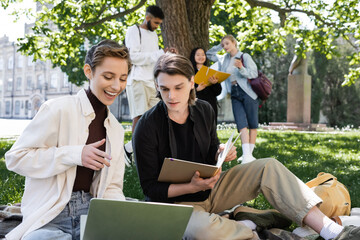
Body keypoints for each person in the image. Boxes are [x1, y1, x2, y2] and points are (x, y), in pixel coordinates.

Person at [133, 53, 360, 240]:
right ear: (157, 86)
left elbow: (210, 148)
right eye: (164, 89)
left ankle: (332, 231)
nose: (171, 96)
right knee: (199, 231)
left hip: (212, 189)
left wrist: (221, 152)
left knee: (268, 166)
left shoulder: (204, 110)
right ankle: (251, 228)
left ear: (192, 82)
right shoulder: (147, 126)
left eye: (178, 87)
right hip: (177, 204)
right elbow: (150, 189)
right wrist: (191, 187)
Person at [5, 39, 131, 240]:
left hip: (91, 215)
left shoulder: (115, 129)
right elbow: (16, 158)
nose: (116, 86)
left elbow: (112, 187)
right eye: (108, 76)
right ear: (88, 72)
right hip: (49, 216)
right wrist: (75, 155)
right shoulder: (57, 109)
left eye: (123, 78)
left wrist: (118, 218)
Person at [124, 5, 177, 164]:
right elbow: (132, 57)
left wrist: (166, 55)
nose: (157, 26)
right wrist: (159, 53)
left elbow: (154, 59)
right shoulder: (133, 31)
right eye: (155, 23)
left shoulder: (154, 36)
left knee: (158, 116)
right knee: (139, 116)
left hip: (151, 82)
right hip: (137, 80)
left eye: (159, 24)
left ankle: (129, 148)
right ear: (147, 18)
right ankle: (138, 154)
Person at [207, 35, 258, 164]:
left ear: (234, 43)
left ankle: (248, 155)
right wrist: (220, 45)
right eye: (223, 45)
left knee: (252, 124)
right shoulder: (223, 58)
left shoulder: (244, 56)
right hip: (234, 93)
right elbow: (209, 54)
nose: (225, 47)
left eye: (227, 44)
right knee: (241, 123)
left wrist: (241, 67)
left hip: (247, 92)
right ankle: (246, 155)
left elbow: (254, 74)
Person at [189, 47, 222, 124]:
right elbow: (185, 91)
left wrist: (215, 83)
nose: (201, 57)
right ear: (193, 56)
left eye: (203, 55)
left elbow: (218, 92)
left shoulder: (211, 71)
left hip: (211, 105)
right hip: (196, 105)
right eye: (198, 55)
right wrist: (197, 89)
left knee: (211, 129)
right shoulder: (189, 72)